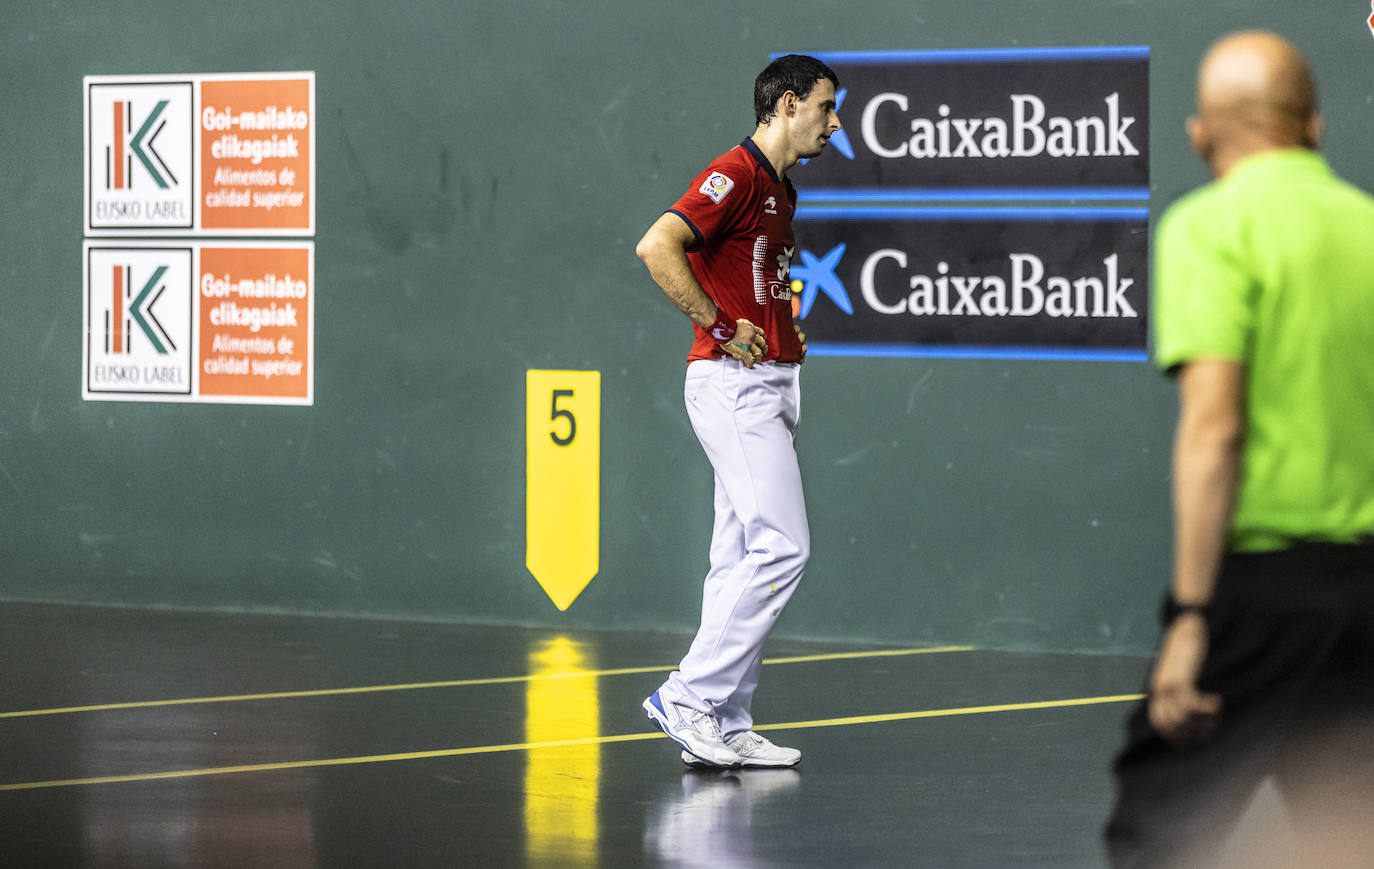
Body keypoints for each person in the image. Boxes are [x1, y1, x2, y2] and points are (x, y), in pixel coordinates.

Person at [1105, 31, 1374, 867]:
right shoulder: (1367, 227)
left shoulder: (1208, 228)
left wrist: (1192, 616)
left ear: (1202, 134)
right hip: (1368, 594)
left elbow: (1215, 425)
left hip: (1262, 596)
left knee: (1156, 834)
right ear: (1315, 127)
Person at [634, 54, 842, 768]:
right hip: (729, 385)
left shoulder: (783, 190)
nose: (834, 122)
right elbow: (657, 246)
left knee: (737, 558)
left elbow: (758, 283)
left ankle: (721, 719)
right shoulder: (736, 174)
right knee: (784, 547)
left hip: (769, 385)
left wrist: (784, 332)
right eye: (825, 107)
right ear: (787, 105)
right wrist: (723, 326)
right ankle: (688, 694)